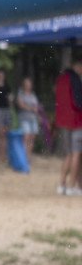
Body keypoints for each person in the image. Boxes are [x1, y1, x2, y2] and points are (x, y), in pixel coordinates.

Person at [54, 57, 82, 195]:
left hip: (62, 121)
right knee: (76, 155)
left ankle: (61, 185)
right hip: (76, 122)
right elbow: (78, 102)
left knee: (68, 155)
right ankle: (72, 187)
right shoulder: (75, 79)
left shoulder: (61, 78)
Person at [15, 77, 41, 158]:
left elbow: (36, 106)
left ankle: (28, 156)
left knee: (32, 138)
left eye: (29, 84)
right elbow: (21, 105)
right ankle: (23, 157)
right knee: (26, 137)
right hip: (24, 118)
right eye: (26, 84)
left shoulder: (33, 95)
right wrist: (31, 108)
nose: (27, 86)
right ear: (23, 85)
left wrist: (36, 112)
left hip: (33, 118)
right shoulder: (20, 94)